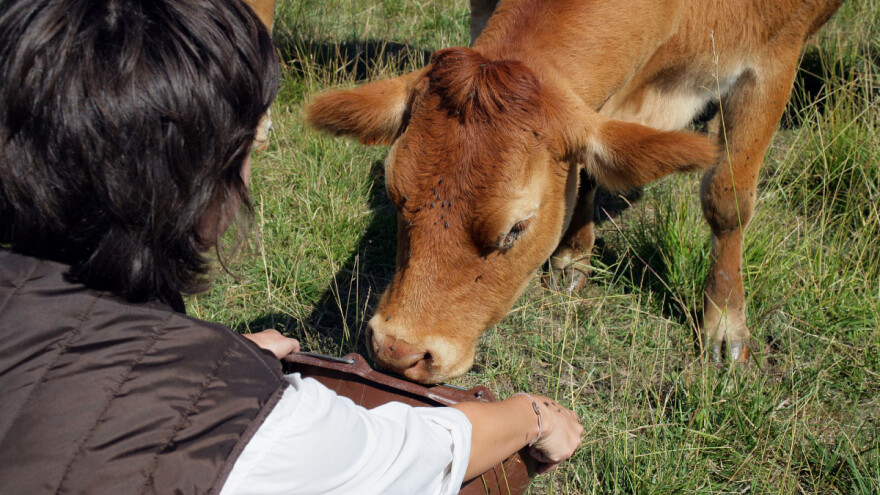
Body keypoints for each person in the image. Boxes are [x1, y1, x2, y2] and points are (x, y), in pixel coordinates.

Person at [0, 0, 584, 494]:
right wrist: (532, 417)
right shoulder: (251, 429)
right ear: (211, 191)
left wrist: (201, 354)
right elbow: (410, 451)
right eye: (246, 148)